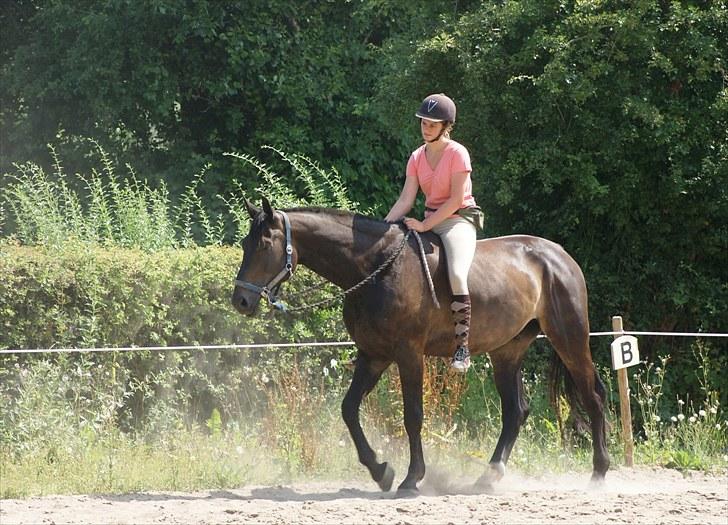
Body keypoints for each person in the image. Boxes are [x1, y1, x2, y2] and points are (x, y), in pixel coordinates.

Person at [384, 93, 479, 372]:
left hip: (457, 220)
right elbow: (406, 200)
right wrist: (384, 226)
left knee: (458, 274)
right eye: (424, 123)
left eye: (432, 124)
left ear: (445, 126)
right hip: (427, 219)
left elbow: (454, 200)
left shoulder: (458, 153)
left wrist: (425, 226)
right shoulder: (416, 157)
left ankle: (462, 347)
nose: (426, 128)